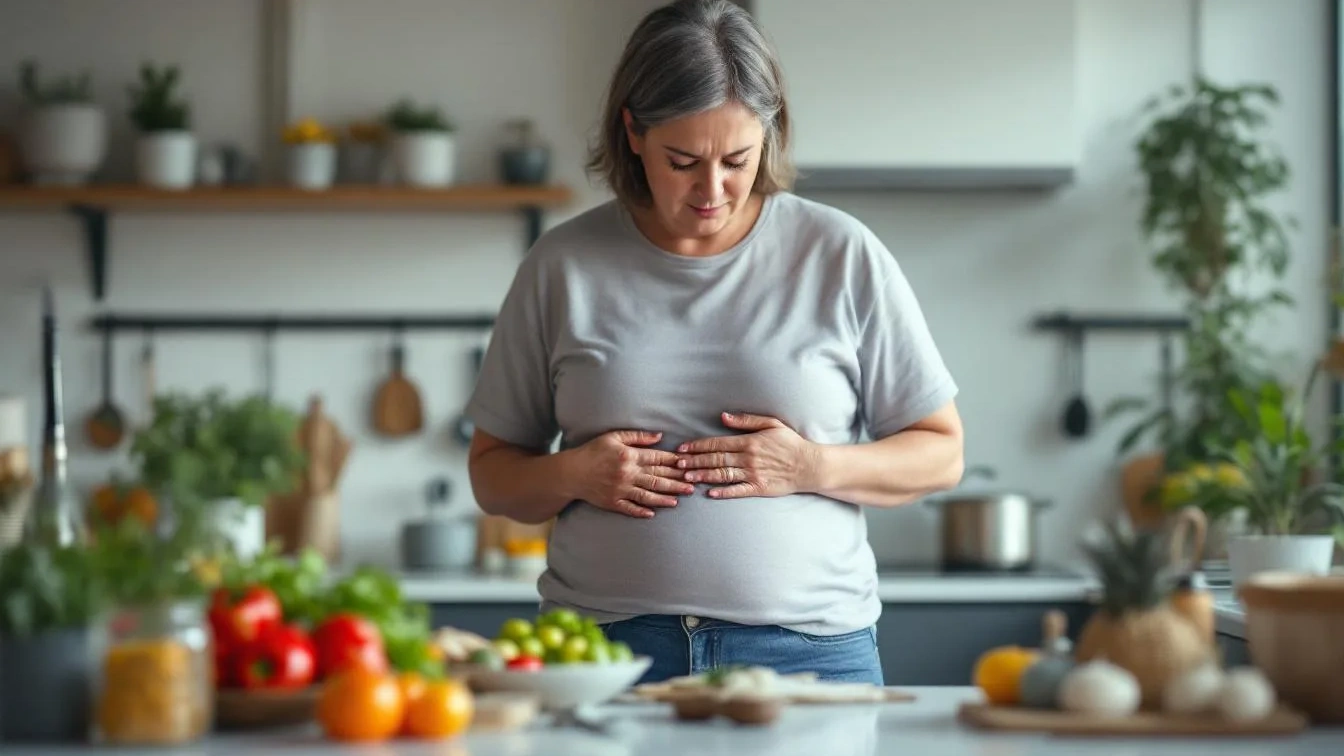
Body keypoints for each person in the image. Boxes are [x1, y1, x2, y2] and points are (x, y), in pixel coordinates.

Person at [464, 0, 963, 685]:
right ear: (632, 131)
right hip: (604, 656)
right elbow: (493, 475)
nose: (712, 190)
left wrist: (811, 467)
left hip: (809, 656)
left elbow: (941, 454)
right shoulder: (562, 267)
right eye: (684, 160)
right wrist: (575, 474)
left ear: (770, 132)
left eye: (737, 159)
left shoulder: (841, 254)